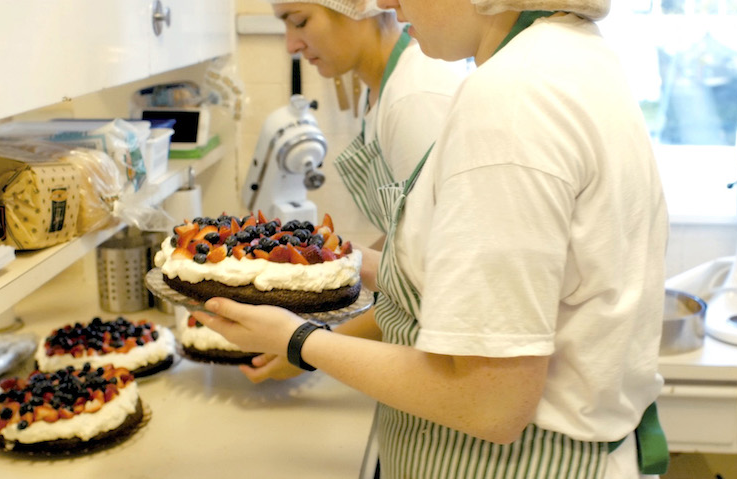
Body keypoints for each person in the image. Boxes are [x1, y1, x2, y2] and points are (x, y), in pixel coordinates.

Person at [194, 0, 670, 478]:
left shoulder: (511, 97)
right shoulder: (571, 57)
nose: (383, 3)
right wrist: (335, 262)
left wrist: (298, 341)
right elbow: (479, 277)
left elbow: (490, 403)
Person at [237, 0, 469, 383]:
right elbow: (405, 236)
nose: (291, 45)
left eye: (300, 21)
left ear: (358, 7)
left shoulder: (415, 99)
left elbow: (432, 281)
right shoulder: (381, 89)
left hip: (442, 365)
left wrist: (306, 347)